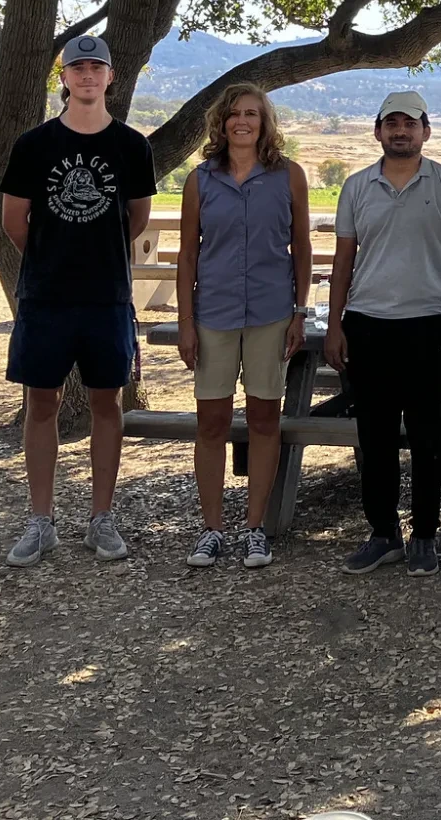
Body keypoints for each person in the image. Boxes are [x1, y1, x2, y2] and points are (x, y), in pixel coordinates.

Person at [0, 34, 158, 567]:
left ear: (111, 77)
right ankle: (41, 521)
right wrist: (51, 256)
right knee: (40, 404)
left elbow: (136, 219)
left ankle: (101, 518)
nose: (87, 75)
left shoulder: (132, 146)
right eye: (77, 67)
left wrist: (95, 255)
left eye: (97, 67)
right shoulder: (33, 146)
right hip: (45, 297)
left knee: (107, 404)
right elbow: (12, 221)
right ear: (63, 78)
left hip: (106, 298)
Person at [324, 90, 441, 578]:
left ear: (426, 131)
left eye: (410, 123)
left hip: (426, 323)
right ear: (378, 131)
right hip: (366, 324)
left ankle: (426, 536)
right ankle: (384, 533)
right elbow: (343, 260)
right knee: (376, 435)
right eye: (392, 123)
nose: (401, 130)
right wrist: (334, 325)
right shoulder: (357, 186)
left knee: (428, 434)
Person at [175, 84, 311, 570]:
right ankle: (211, 529)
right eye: (234, 114)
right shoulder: (200, 180)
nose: (243, 121)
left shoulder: (289, 176)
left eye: (252, 113)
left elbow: (302, 248)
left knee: (263, 419)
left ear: (265, 122)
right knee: (210, 422)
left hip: (272, 314)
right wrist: (185, 321)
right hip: (213, 314)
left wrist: (300, 311)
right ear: (222, 123)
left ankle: (255, 529)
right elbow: (188, 253)